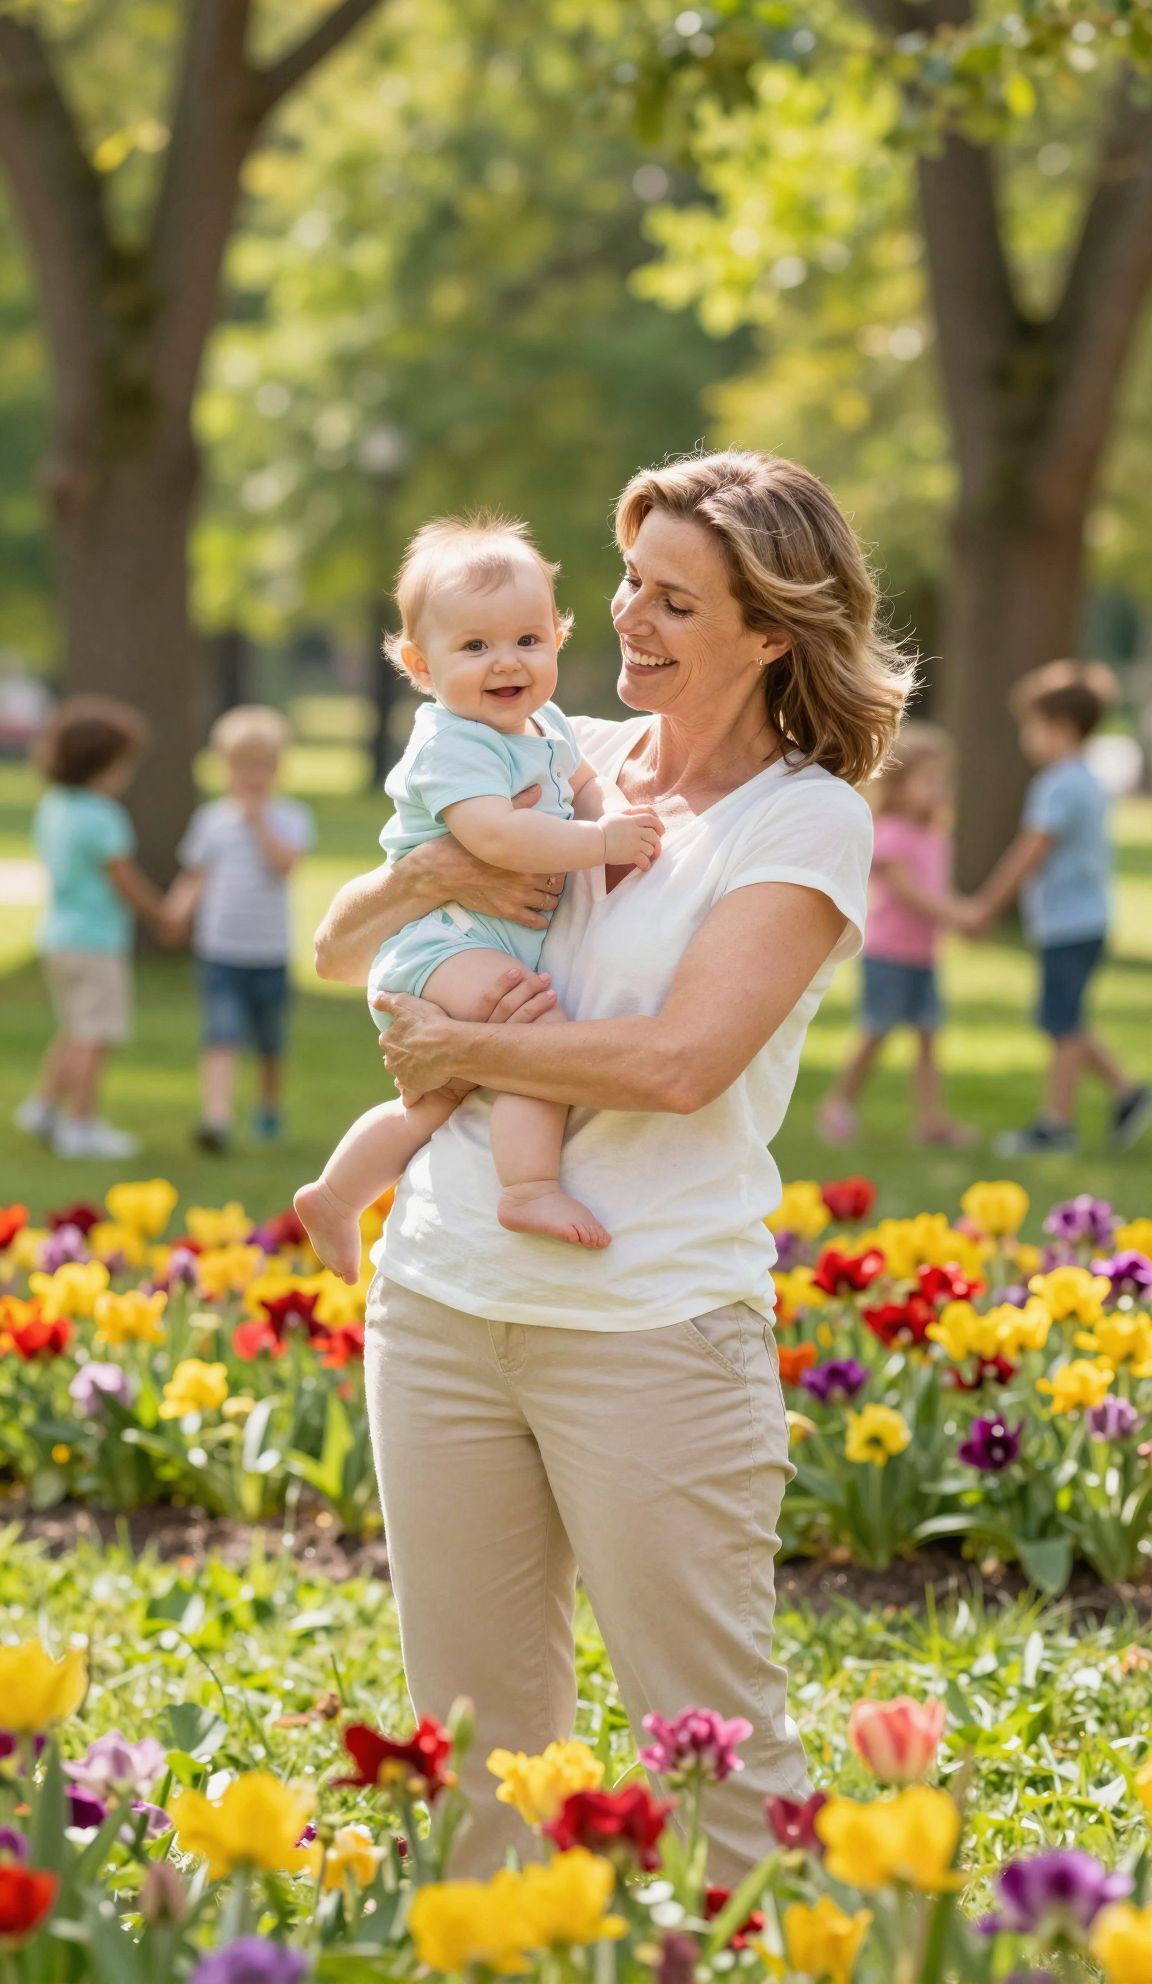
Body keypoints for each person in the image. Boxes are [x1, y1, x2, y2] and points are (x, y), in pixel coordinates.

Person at [312, 450, 911, 1881]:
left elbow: (676, 1065)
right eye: (631, 584)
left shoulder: (802, 821)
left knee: (715, 1760)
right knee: (478, 1763)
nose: (630, 619)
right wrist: (424, 882)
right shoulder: (544, 757)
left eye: (677, 602)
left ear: (771, 632)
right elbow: (344, 955)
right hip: (443, 1304)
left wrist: (457, 1059)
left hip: (650, 1331)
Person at [294, 516, 663, 1283]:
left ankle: (335, 1195)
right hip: (443, 946)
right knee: (536, 1037)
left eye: (528, 640)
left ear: (557, 637)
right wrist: (602, 845)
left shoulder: (548, 724)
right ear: (419, 665)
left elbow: (581, 783)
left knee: (433, 1103)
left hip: (477, 942)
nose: (507, 663)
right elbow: (493, 837)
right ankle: (527, 1188)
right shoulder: (452, 743)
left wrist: (603, 814)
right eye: (475, 647)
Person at [966, 663, 1150, 1156]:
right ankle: (1130, 1094)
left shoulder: (1059, 785)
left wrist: (985, 907)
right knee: (1062, 1016)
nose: (1027, 737)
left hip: (1071, 924)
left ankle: (1056, 1125)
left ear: (1061, 728)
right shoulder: (1085, 779)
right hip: (1083, 922)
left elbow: (1029, 852)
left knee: (1062, 1024)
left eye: (1033, 725)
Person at [17, 695, 170, 1159]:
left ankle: (43, 1108)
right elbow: (124, 878)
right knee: (94, 1034)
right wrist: (161, 916)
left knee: (73, 1028)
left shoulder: (54, 806)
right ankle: (79, 1124)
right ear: (100, 764)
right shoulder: (103, 817)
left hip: (58, 938)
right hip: (96, 942)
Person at [166, 706, 313, 1153]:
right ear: (224, 768)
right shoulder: (211, 820)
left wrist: (258, 821)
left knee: (270, 1042)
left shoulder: (290, 818)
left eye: (262, 767)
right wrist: (178, 910)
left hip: (268, 952)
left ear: (277, 770)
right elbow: (195, 874)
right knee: (221, 1033)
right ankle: (217, 1117)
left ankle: (267, 1107)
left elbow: (285, 867)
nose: (252, 777)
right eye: (241, 766)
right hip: (221, 951)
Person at [819, 721, 973, 1147]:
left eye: (944, 780)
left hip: (923, 955)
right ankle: (838, 1104)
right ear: (899, 784)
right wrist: (961, 915)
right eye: (928, 780)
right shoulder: (890, 835)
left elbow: (937, 891)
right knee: (876, 1032)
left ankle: (931, 1120)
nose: (938, 789)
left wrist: (956, 915)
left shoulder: (935, 833)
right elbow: (911, 894)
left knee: (928, 1037)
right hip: (889, 954)